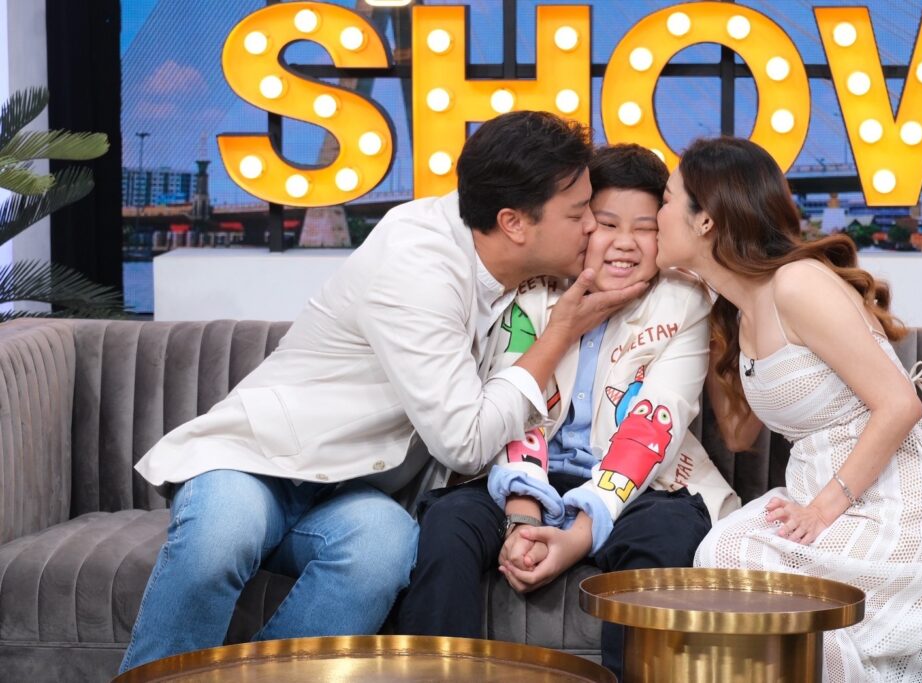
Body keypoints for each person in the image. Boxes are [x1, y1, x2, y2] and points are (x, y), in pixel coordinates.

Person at [118, 111, 647, 672]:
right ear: (513, 222)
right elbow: (465, 442)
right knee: (222, 534)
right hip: (263, 459)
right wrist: (560, 333)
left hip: (356, 491)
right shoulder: (417, 263)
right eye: (579, 214)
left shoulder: (523, 266)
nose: (593, 227)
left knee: (382, 549)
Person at [397, 144, 738, 679]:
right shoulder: (532, 289)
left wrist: (578, 536)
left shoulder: (684, 302)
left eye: (645, 227)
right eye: (606, 224)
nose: (624, 243)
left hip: (641, 483)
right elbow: (513, 401)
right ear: (581, 226)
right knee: (448, 524)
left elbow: (656, 421)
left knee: (665, 539)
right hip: (521, 476)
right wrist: (523, 517)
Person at [656, 136, 922, 682]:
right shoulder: (738, 313)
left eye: (666, 201)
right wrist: (703, 323)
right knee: (719, 552)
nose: (655, 217)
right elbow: (737, 436)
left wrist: (822, 512)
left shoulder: (797, 283)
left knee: (737, 560)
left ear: (705, 219)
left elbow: (899, 405)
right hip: (814, 488)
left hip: (892, 494)